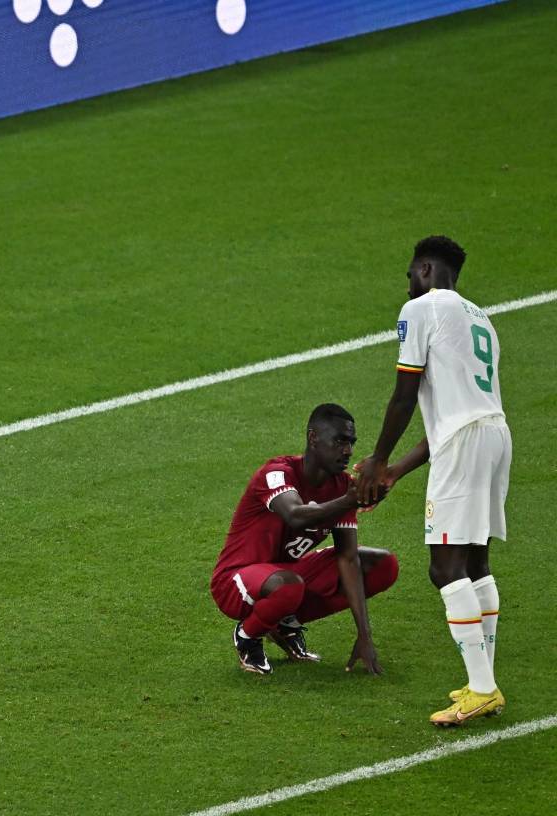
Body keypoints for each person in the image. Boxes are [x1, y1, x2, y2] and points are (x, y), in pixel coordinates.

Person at [356, 235, 510, 727]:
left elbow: (405, 395)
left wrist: (377, 459)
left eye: (408, 274)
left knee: (445, 569)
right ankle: (481, 681)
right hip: (493, 435)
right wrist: (397, 471)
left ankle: (483, 688)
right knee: (476, 560)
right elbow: (449, 416)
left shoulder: (421, 310)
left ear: (425, 268)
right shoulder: (480, 317)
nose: (407, 284)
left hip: (464, 445)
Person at [211, 404, 399, 676]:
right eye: (340, 441)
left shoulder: (342, 486)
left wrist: (364, 635)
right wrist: (350, 500)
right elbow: (297, 516)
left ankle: (285, 622)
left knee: (383, 565)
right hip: (235, 581)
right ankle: (248, 635)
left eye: (351, 442)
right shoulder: (277, 473)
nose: (348, 450)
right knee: (289, 586)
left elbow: (347, 558)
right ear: (313, 438)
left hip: (286, 576)